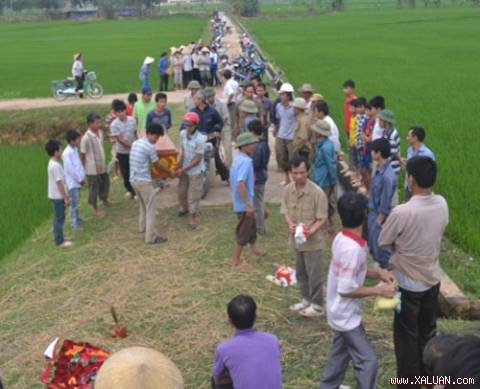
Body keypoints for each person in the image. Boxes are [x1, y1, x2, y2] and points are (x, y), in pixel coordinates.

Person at [378, 156, 449, 389]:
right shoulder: (441, 203)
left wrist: (400, 246)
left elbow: (383, 241)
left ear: (410, 180)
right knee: (428, 333)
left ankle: (409, 383)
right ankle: (430, 379)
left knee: (406, 337)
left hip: (408, 284)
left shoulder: (402, 211)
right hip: (432, 279)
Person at [319, 192, 396, 389]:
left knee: (340, 354)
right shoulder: (351, 250)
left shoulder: (343, 238)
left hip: (340, 311)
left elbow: (353, 272)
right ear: (364, 215)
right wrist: (379, 291)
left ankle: (328, 385)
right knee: (368, 361)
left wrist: (377, 274)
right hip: (345, 316)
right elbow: (346, 289)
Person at [281, 156, 328, 317]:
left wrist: (310, 230)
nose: (299, 176)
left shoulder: (317, 193)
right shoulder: (288, 190)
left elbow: (322, 218)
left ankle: (318, 305)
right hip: (297, 241)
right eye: (295, 173)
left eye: (302, 172)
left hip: (313, 243)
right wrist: (290, 224)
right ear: (290, 173)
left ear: (308, 172)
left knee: (315, 275)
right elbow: (285, 211)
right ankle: (306, 299)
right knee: (301, 273)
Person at [212, 295, 282, 389]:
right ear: (255, 316)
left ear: (230, 320)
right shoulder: (273, 340)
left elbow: (217, 377)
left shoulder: (224, 349)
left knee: (217, 381)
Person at [129, 121, 171, 244]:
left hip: (133, 180)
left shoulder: (136, 143)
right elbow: (157, 166)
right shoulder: (150, 147)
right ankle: (151, 237)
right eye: (156, 137)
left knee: (143, 205)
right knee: (151, 208)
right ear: (149, 133)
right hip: (143, 181)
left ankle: (142, 227)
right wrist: (169, 172)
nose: (156, 140)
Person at [230, 133, 265, 270]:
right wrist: (248, 204)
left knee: (251, 227)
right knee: (243, 232)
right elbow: (240, 183)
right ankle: (236, 261)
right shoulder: (246, 162)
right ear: (244, 146)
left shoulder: (237, 159)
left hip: (240, 202)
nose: (255, 145)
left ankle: (254, 250)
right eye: (252, 143)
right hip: (244, 205)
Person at [368, 138, 397, 268]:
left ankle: (386, 269)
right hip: (373, 211)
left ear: (378, 153)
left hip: (379, 215)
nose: (371, 153)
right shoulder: (379, 168)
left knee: (379, 245)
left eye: (373, 151)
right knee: (373, 244)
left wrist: (379, 221)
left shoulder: (388, 176)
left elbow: (385, 201)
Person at [177, 112, 207, 231]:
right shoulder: (182, 134)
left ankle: (192, 218)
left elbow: (198, 159)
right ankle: (184, 208)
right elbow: (182, 150)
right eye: (186, 125)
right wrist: (178, 164)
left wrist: (184, 168)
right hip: (184, 168)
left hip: (195, 170)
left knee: (193, 196)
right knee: (181, 192)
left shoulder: (200, 139)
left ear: (195, 125)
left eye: (190, 125)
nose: (187, 127)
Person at [191, 91, 229, 182]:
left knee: (216, 159)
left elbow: (220, 122)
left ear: (201, 100)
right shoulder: (193, 112)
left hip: (210, 139)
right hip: (197, 140)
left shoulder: (212, 111)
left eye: (196, 99)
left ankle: (228, 177)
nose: (194, 100)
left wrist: (217, 131)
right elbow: (186, 125)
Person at [80, 112, 110, 218]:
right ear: (90, 124)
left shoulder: (100, 133)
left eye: (99, 122)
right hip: (92, 169)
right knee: (94, 189)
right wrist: (83, 169)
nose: (99, 125)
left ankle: (105, 200)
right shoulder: (86, 138)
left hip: (102, 165)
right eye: (97, 123)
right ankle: (95, 209)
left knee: (105, 184)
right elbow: (82, 155)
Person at [311, 120, 337, 232]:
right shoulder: (321, 144)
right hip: (319, 177)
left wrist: (333, 181)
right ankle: (328, 225)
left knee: (322, 204)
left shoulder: (326, 147)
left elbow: (331, 166)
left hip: (324, 180)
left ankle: (325, 227)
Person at [46, 140, 72, 248]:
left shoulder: (52, 163)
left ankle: (60, 237)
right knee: (59, 218)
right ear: (55, 152)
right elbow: (59, 183)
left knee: (60, 217)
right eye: (60, 149)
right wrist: (65, 197)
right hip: (58, 196)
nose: (62, 151)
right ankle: (59, 241)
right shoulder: (55, 166)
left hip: (56, 195)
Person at [110, 99, 138, 199]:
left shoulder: (132, 120)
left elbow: (136, 134)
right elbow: (120, 140)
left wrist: (137, 145)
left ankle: (136, 191)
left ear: (126, 110)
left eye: (122, 111)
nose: (121, 113)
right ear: (115, 113)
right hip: (122, 153)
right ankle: (129, 190)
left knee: (134, 171)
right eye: (118, 112)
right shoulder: (114, 125)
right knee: (125, 173)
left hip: (133, 152)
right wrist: (133, 146)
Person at [249, 119, 270, 236]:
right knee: (259, 202)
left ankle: (260, 229)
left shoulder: (257, 146)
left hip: (257, 178)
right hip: (262, 175)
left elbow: (255, 164)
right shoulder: (264, 143)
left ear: (252, 131)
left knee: (257, 205)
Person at [402, 126, 436, 200]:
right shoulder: (410, 149)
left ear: (415, 138)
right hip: (408, 186)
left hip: (420, 190)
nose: (407, 138)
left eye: (408, 136)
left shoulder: (428, 154)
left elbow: (430, 173)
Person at [62, 130, 85, 231]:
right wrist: (79, 179)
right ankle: (74, 224)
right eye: (77, 139)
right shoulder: (66, 153)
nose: (79, 141)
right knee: (73, 204)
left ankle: (77, 219)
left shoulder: (75, 149)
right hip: (72, 182)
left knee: (76, 201)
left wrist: (82, 177)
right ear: (71, 141)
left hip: (78, 180)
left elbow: (78, 164)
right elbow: (70, 169)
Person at [274, 83, 296, 185]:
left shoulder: (294, 108)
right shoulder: (278, 106)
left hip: (291, 137)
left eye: (282, 94)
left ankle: (294, 179)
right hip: (280, 135)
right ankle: (287, 178)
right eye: (280, 94)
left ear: (288, 95)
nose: (280, 96)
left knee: (292, 159)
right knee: (281, 157)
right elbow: (279, 119)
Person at [205, 87, 232, 167]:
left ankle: (228, 167)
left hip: (224, 128)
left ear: (214, 95)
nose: (209, 98)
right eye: (207, 97)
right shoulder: (205, 106)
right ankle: (215, 167)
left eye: (211, 96)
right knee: (212, 149)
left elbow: (225, 118)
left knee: (228, 148)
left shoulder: (222, 104)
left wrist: (218, 129)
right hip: (212, 130)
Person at [358, 103, 374, 191]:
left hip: (369, 151)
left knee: (368, 171)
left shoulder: (374, 122)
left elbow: (369, 138)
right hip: (365, 149)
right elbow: (362, 133)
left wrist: (366, 138)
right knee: (363, 170)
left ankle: (370, 189)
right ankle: (367, 188)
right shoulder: (366, 121)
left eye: (368, 110)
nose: (366, 112)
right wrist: (365, 137)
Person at [348, 99, 358, 171]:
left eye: (351, 107)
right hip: (351, 141)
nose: (349, 109)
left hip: (355, 142)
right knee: (351, 157)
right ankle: (351, 170)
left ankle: (355, 173)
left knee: (356, 159)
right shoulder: (352, 117)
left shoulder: (357, 118)